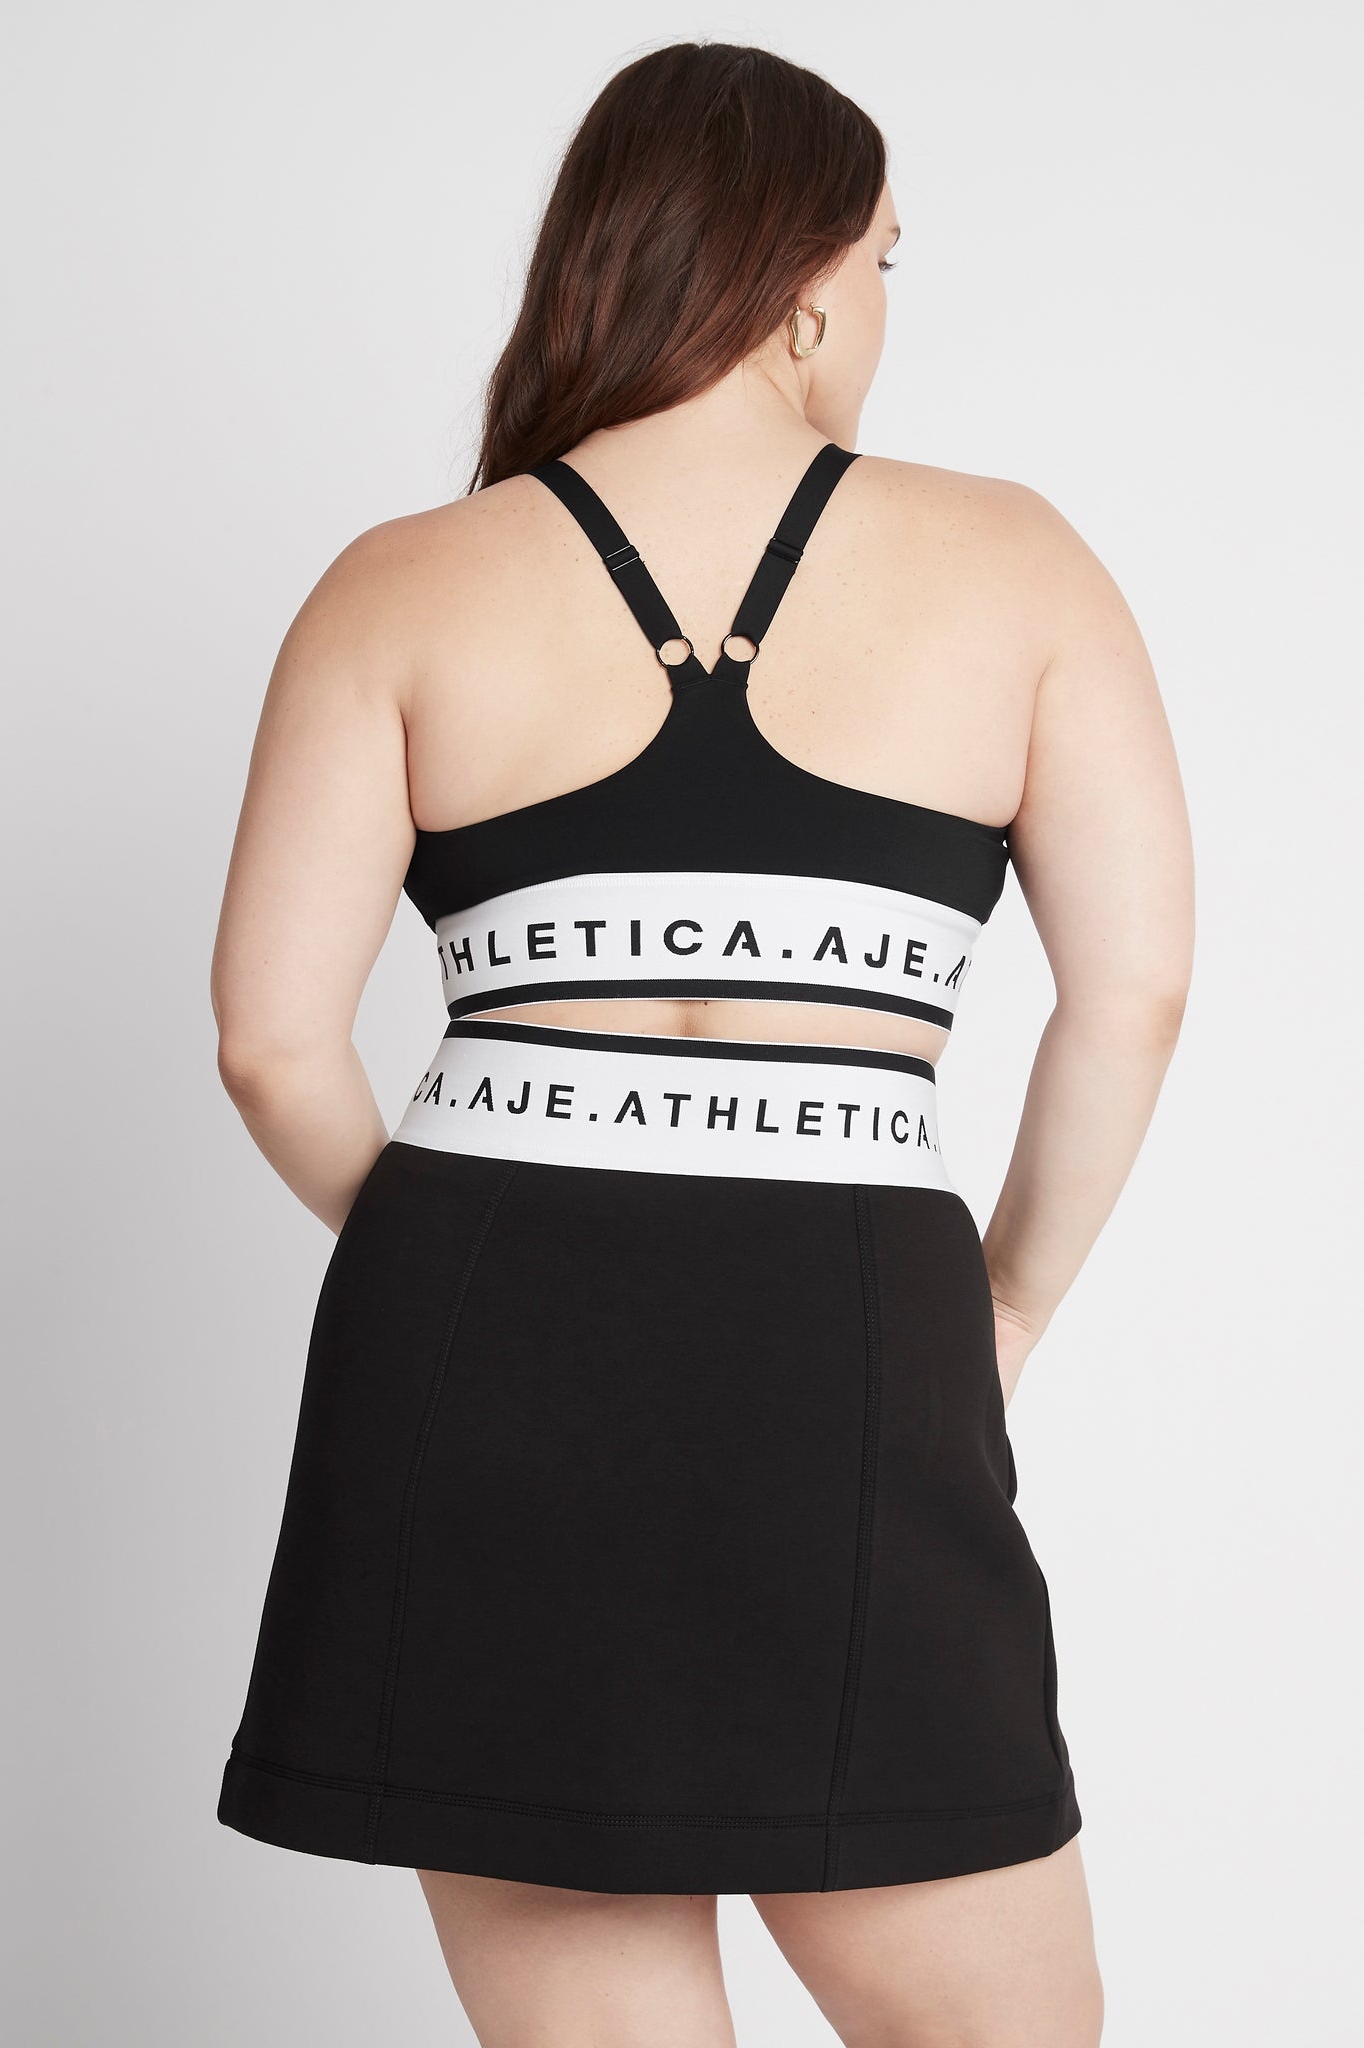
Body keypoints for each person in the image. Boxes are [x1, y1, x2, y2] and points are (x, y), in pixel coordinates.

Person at [210, 38, 1193, 2048]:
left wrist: (467, 1269)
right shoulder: (1011, 561)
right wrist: (999, 1310)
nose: (879, 311)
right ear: (807, 288)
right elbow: (1136, 991)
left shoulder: (400, 584)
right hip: (851, 1322)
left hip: (480, 1341)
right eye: (883, 262)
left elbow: (268, 1042)